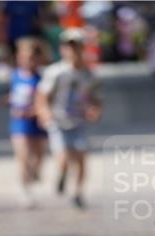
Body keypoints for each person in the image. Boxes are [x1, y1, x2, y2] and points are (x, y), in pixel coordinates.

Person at [34, 27, 101, 208]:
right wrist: (44, 112)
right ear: (62, 49)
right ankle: (62, 173)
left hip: (79, 120)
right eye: (68, 46)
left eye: (76, 46)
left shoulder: (88, 73)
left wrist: (95, 109)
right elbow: (42, 95)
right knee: (63, 156)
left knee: (80, 157)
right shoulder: (55, 72)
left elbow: (94, 96)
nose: (72, 51)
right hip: (58, 119)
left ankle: (78, 192)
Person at [8, 36, 48, 206]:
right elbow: (15, 95)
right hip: (19, 123)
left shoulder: (42, 78)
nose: (26, 61)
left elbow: (46, 101)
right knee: (23, 157)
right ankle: (25, 191)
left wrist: (36, 110)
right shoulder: (15, 75)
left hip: (37, 122)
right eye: (23, 57)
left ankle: (35, 173)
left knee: (38, 156)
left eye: (30, 58)